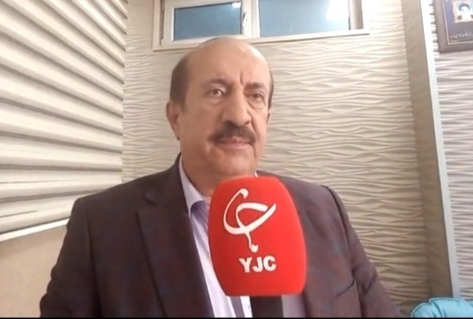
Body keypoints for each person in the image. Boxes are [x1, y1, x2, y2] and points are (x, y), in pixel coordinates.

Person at [39, 36, 403, 318]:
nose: (239, 115)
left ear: (267, 119)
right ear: (176, 117)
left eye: (255, 96)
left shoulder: (323, 208)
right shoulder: (101, 224)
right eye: (217, 92)